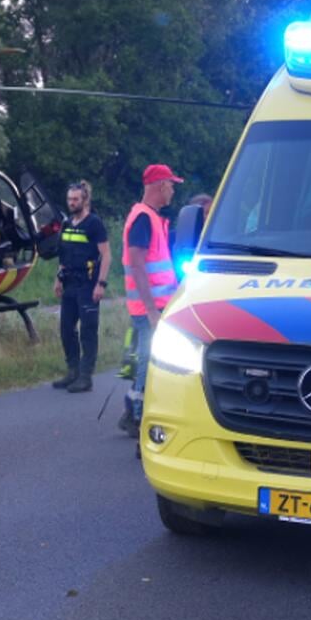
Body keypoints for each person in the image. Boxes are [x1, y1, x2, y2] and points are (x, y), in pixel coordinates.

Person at [121, 163, 182, 437]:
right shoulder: (144, 218)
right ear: (160, 186)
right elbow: (137, 264)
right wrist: (151, 311)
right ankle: (136, 415)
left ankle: (131, 411)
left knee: (149, 359)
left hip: (157, 306)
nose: (172, 191)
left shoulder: (152, 217)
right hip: (149, 308)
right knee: (149, 360)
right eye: (171, 185)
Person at [51, 180, 110, 394]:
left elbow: (106, 255)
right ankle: (73, 371)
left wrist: (100, 284)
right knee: (66, 329)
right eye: (69, 199)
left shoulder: (94, 223)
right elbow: (64, 255)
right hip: (69, 283)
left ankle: (86, 377)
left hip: (88, 284)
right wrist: (58, 279)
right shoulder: (67, 224)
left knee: (88, 331)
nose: (71, 202)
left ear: (85, 200)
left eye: (75, 199)